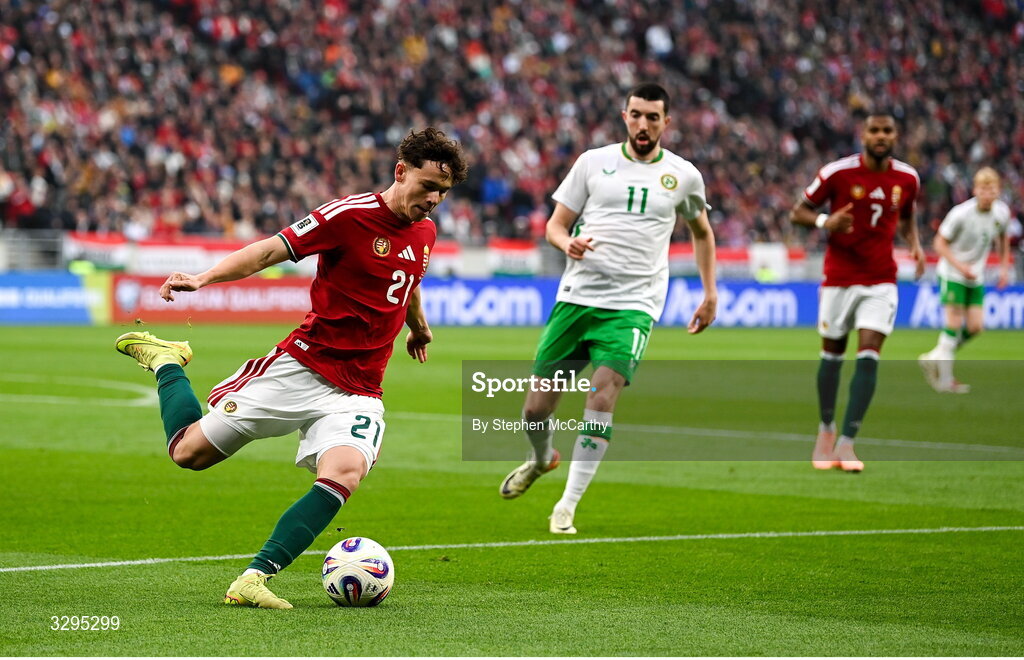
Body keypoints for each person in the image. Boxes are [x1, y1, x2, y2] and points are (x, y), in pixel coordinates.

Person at [114, 128, 467, 608]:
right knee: (188, 453)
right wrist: (204, 277)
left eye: (443, 192)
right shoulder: (347, 215)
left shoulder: (425, 231)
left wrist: (419, 327)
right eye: (428, 187)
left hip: (360, 388)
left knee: (345, 472)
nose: (434, 200)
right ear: (401, 171)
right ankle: (166, 361)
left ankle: (254, 577)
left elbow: (409, 279)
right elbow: (268, 250)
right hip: (303, 367)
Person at [498, 82, 718, 534]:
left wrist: (710, 292)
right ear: (625, 117)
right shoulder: (592, 162)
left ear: (666, 122)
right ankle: (541, 459)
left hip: (634, 305)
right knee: (535, 411)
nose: (643, 124)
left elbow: (702, 232)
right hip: (577, 298)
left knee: (601, 395)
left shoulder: (683, 175)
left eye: (652, 117)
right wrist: (567, 243)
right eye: (636, 115)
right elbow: (555, 226)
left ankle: (567, 505)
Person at [790, 110, 925, 473]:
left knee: (868, 355)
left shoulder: (907, 178)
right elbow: (797, 212)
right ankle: (826, 431)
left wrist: (914, 244)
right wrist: (826, 221)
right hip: (839, 278)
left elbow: (907, 215)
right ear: (863, 136)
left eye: (887, 130)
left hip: (881, 279)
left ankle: (848, 444)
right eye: (874, 130)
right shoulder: (837, 173)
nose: (881, 136)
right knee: (832, 356)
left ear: (895, 136)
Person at [918, 167, 1012, 393]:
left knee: (976, 327)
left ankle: (934, 357)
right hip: (952, 273)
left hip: (975, 275)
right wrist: (960, 267)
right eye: (983, 189)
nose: (987, 194)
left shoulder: (1002, 212)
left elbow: (1003, 238)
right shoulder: (961, 213)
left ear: (998, 191)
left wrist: (1003, 268)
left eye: (991, 190)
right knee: (953, 325)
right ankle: (945, 380)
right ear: (975, 190)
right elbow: (939, 243)